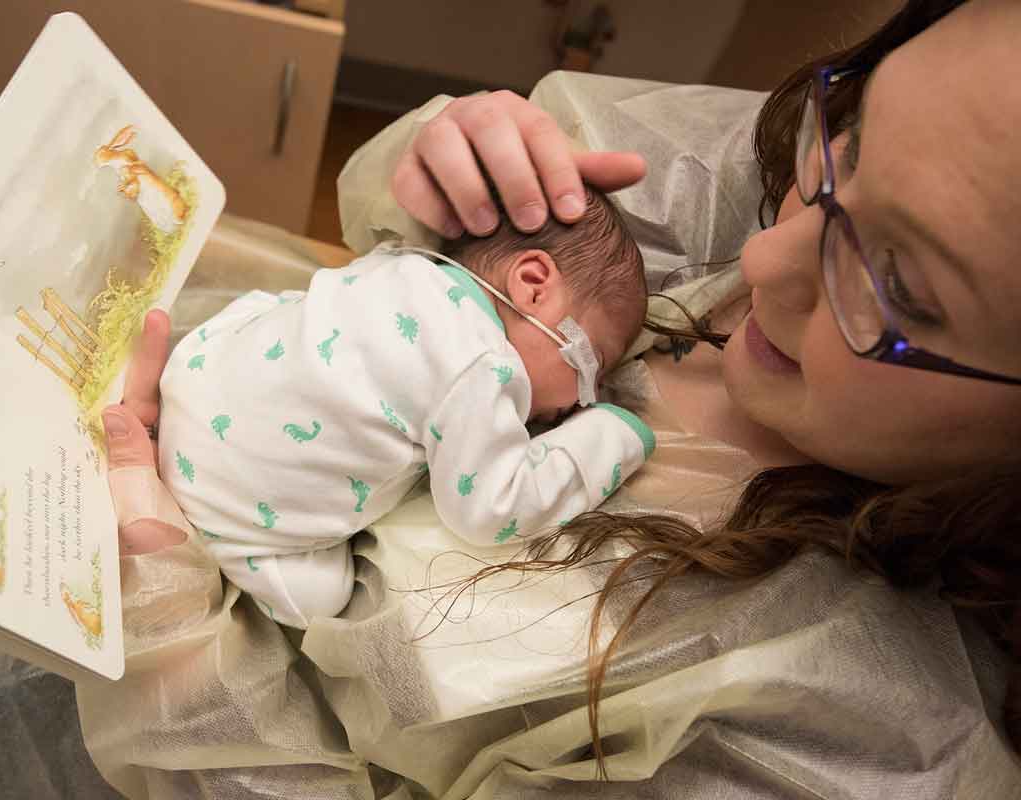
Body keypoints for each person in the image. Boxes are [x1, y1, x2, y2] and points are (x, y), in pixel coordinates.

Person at [89, 0, 1020, 793]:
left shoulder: (853, 740)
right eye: (846, 150)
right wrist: (449, 188)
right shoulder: (717, 180)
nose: (763, 255)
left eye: (895, 285)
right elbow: (386, 275)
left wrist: (170, 638)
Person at [155, 189, 651, 628]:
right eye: (593, 366)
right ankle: (200, 524)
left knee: (286, 309)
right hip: (221, 498)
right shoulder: (480, 366)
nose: (581, 399)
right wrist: (612, 431)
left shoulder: (406, 262)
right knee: (321, 600)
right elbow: (492, 509)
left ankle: (148, 437)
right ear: (534, 285)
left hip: (191, 380)